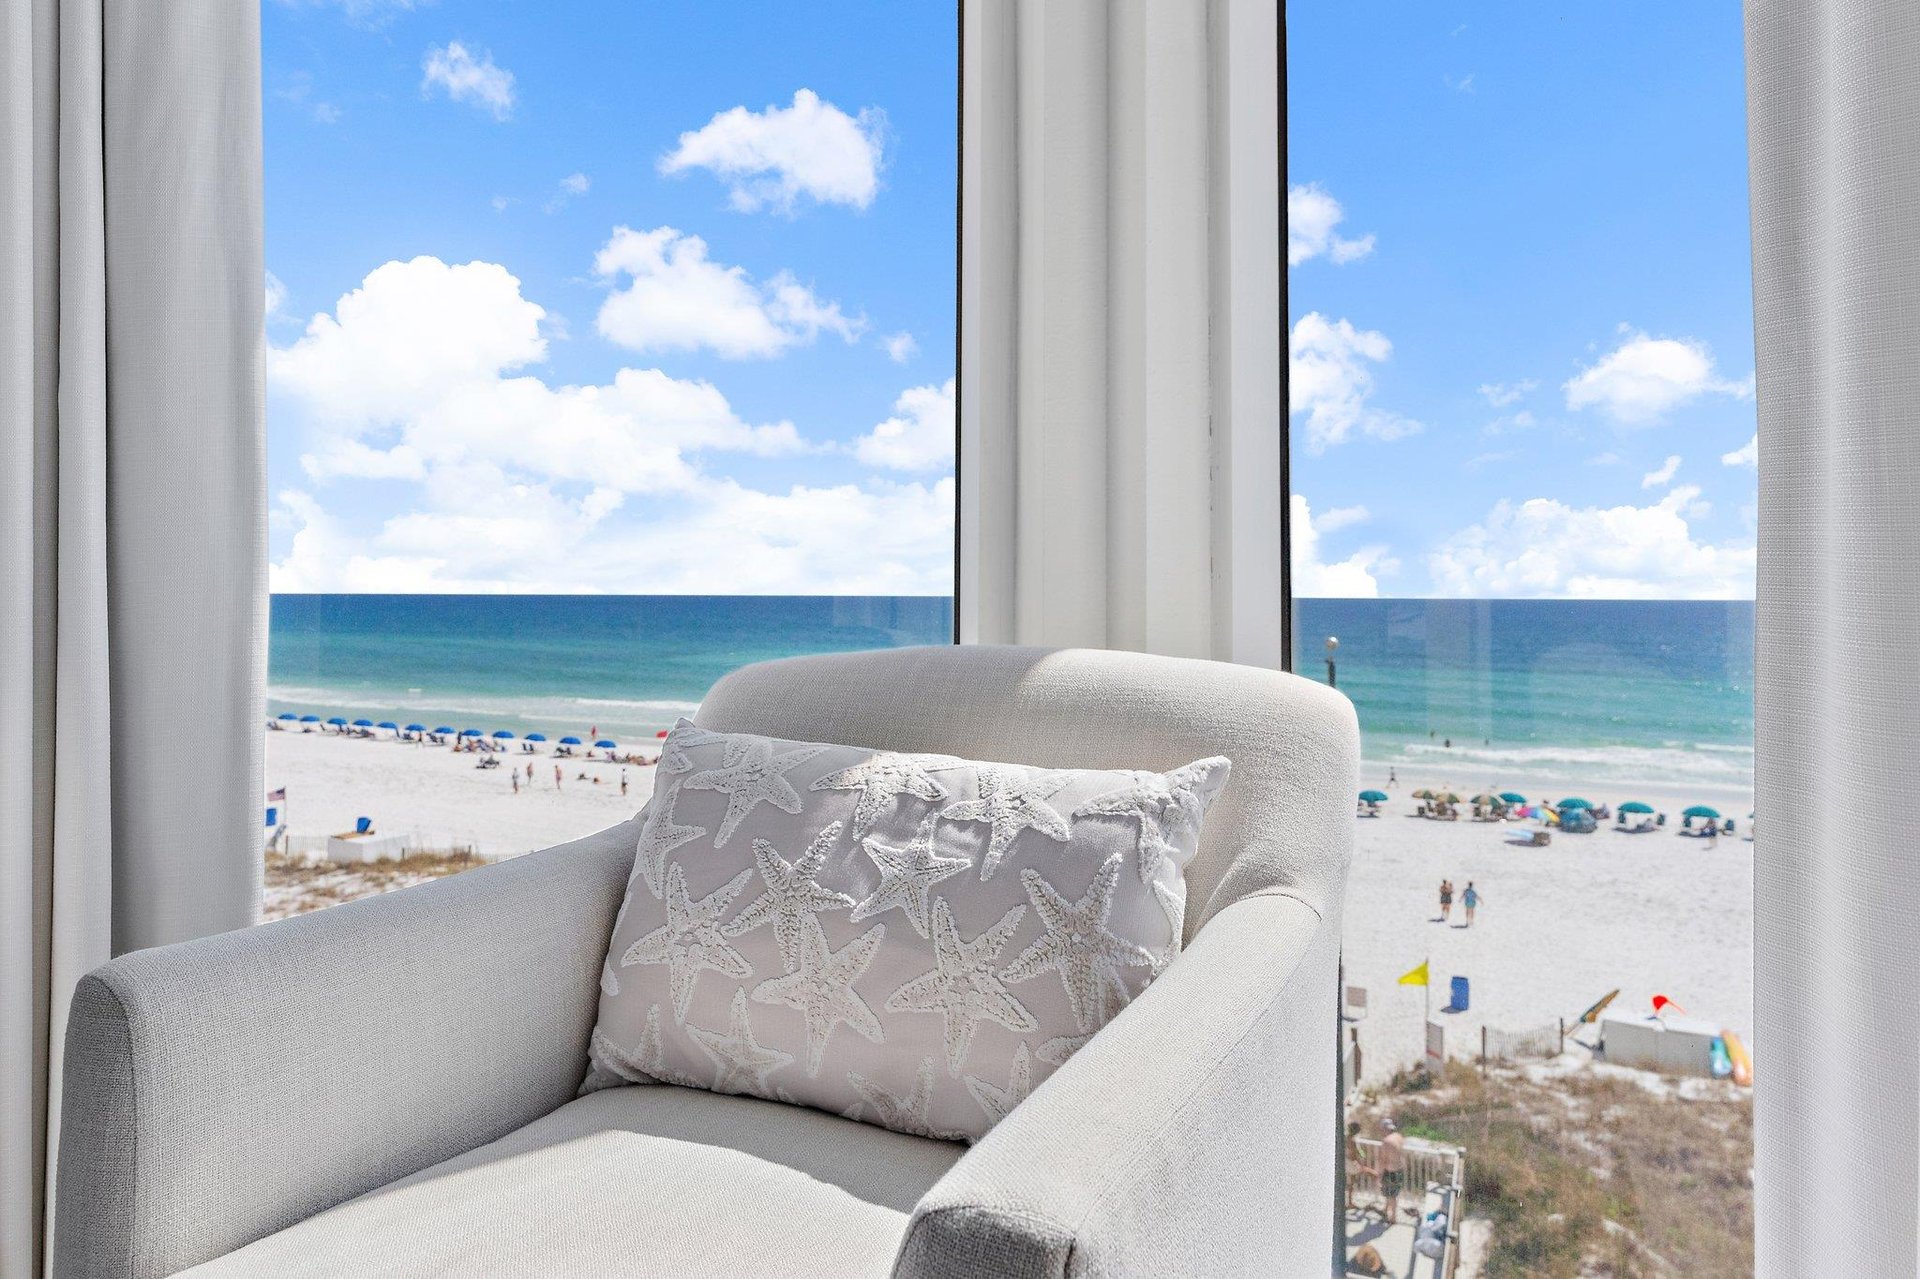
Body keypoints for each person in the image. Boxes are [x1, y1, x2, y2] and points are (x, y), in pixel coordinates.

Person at [1378, 1118, 1407, 1224]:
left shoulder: (1386, 1142)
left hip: (1390, 1171)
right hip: (1400, 1169)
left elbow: (1383, 1160)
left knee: (1391, 1195)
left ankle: (1393, 1218)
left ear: (1384, 1129)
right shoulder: (1399, 1137)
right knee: (1391, 1193)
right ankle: (1386, 1210)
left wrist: (1379, 1174)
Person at [1344, 1120, 1374, 1212]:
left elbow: (1356, 1151)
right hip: (1352, 1163)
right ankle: (1376, 1196)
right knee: (1373, 1173)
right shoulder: (1352, 1140)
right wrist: (1360, 1164)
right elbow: (1354, 1154)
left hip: (1347, 1162)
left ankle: (1349, 1202)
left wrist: (1361, 1154)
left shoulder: (1346, 1137)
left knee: (1351, 1183)